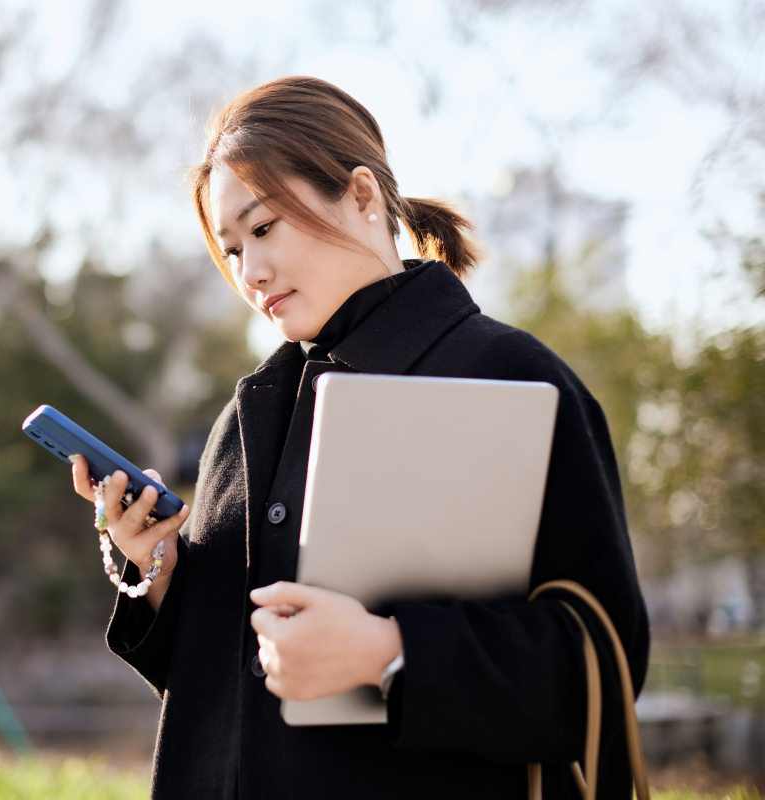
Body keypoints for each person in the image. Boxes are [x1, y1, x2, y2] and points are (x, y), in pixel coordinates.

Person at [69, 76, 649, 800]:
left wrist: (389, 651)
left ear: (364, 197)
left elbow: (602, 662)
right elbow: (222, 688)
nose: (250, 272)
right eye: (231, 249)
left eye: (264, 228)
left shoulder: (509, 377)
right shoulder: (241, 419)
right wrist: (155, 569)